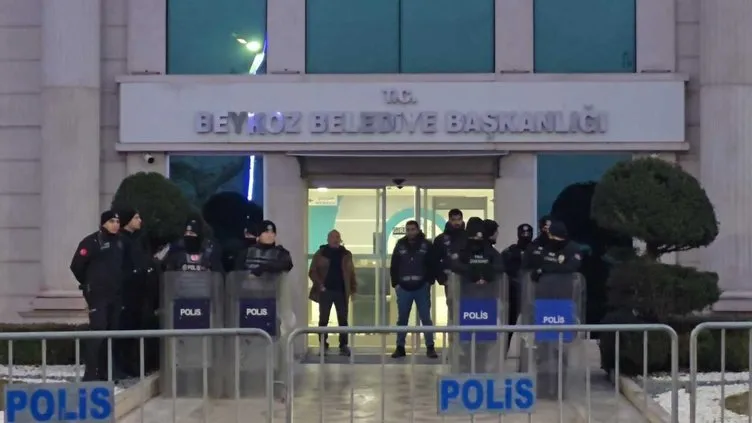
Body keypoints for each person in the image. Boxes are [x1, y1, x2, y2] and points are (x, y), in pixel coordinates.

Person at [70, 210, 127, 381]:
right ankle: (91, 373)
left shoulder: (120, 242)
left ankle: (108, 371)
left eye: (117, 222)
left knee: (112, 332)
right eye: (111, 221)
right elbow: (76, 266)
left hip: (115, 294)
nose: (115, 225)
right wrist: (90, 283)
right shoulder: (92, 241)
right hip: (97, 294)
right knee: (98, 330)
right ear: (103, 223)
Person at [390, 220, 439, 359]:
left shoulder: (426, 245)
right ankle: (400, 347)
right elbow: (394, 266)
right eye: (408, 229)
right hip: (404, 289)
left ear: (418, 230)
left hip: (421, 288)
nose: (410, 232)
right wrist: (396, 284)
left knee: (426, 318)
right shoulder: (400, 245)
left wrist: (429, 282)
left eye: (413, 229)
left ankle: (430, 347)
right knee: (402, 319)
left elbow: (432, 264)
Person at [116, 207, 154, 376]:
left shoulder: (138, 240)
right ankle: (120, 366)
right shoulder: (121, 241)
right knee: (123, 332)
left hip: (138, 294)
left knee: (135, 332)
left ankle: (132, 366)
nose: (140, 221)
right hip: (125, 294)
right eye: (136, 218)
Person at [308, 230, 357, 356]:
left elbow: (351, 273)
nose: (335, 239)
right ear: (328, 239)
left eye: (337, 237)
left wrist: (353, 289)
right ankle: (323, 344)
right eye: (333, 237)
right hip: (326, 291)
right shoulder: (321, 253)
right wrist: (320, 285)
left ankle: (343, 345)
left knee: (343, 319)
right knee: (323, 319)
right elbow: (312, 271)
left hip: (341, 291)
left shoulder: (346, 254)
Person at [501, 223, 534, 327]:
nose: (525, 236)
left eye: (528, 233)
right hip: (513, 293)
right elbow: (503, 271)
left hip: (532, 291)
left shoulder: (536, 252)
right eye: (523, 233)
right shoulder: (509, 252)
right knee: (512, 321)